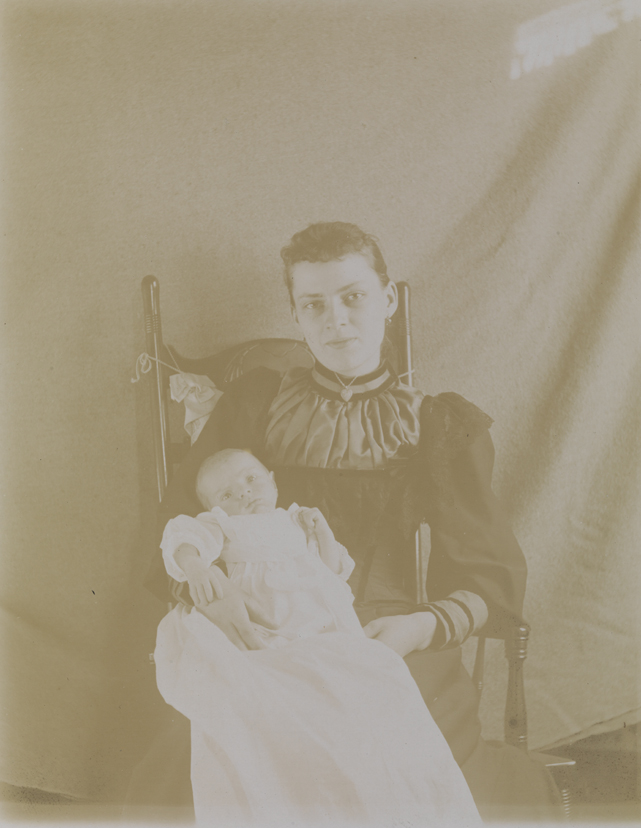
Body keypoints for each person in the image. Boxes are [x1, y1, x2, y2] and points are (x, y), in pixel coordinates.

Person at [139, 221, 560, 820]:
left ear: (387, 300)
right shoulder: (255, 403)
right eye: (313, 304)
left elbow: (491, 575)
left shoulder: (438, 425)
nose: (335, 319)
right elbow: (181, 517)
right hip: (258, 627)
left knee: (396, 744)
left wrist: (417, 629)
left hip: (385, 635)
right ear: (297, 317)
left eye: (353, 297)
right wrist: (213, 591)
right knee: (204, 746)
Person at [155, 448, 481, 825]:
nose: (243, 494)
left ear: (273, 480)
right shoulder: (226, 527)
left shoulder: (296, 519)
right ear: (215, 508)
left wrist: (321, 532)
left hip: (323, 623)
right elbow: (182, 535)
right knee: (285, 693)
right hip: (271, 626)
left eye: (250, 479)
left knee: (374, 682)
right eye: (226, 495)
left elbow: (335, 569)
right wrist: (196, 566)